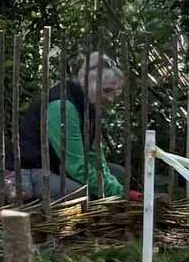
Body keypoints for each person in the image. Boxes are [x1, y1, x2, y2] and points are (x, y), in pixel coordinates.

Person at [10, 51, 125, 204]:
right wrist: (120, 193)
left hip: (56, 167)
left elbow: (94, 157)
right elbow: (76, 167)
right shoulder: (62, 107)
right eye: (106, 91)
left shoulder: (88, 106)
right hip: (29, 171)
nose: (110, 99)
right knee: (78, 193)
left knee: (119, 174)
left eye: (114, 93)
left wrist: (117, 190)